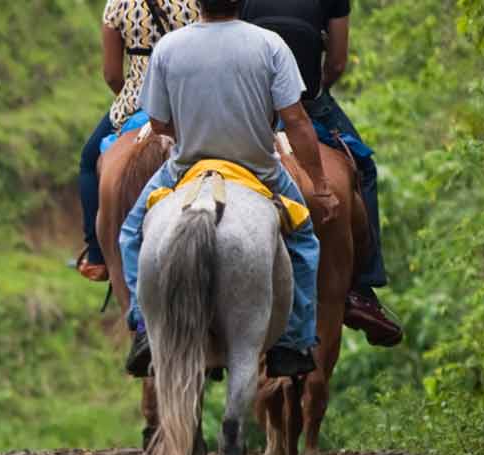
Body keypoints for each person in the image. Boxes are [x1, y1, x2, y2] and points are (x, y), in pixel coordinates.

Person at [119, 0, 337, 379]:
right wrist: (319, 184)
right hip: (258, 169)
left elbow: (157, 121)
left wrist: (187, 133)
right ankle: (293, 339)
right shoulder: (269, 44)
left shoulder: (169, 47)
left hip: (186, 167)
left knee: (131, 233)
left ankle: (142, 328)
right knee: (303, 239)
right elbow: (297, 121)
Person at [239, 0, 402, 347]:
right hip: (308, 103)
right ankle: (362, 289)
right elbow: (338, 61)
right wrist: (315, 88)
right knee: (365, 169)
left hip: (253, 106)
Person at [75, 0, 202, 282]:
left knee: (87, 161)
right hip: (188, 101)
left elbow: (111, 74)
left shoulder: (119, 3)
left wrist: (133, 97)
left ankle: (96, 256)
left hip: (137, 102)